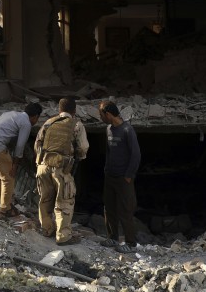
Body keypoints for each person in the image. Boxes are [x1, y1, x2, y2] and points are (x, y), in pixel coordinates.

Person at [34, 97, 88, 245]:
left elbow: (37, 143)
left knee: (45, 199)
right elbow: (83, 148)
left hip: (42, 166)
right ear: (74, 111)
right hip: (60, 169)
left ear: (59, 110)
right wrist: (78, 156)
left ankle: (47, 229)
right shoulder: (76, 124)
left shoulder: (48, 122)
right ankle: (63, 236)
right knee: (64, 200)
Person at [0, 102, 42, 217]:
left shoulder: (11, 113)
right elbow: (20, 146)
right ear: (35, 116)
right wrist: (15, 165)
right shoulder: (26, 123)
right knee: (9, 177)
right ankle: (5, 208)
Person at [98, 100, 141, 252]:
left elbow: (136, 155)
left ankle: (130, 244)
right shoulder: (108, 129)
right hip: (110, 177)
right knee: (109, 208)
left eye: (101, 114)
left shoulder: (127, 130)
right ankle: (112, 238)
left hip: (124, 179)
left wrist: (129, 175)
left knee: (126, 210)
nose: (100, 117)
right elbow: (108, 151)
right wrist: (106, 169)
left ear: (108, 114)